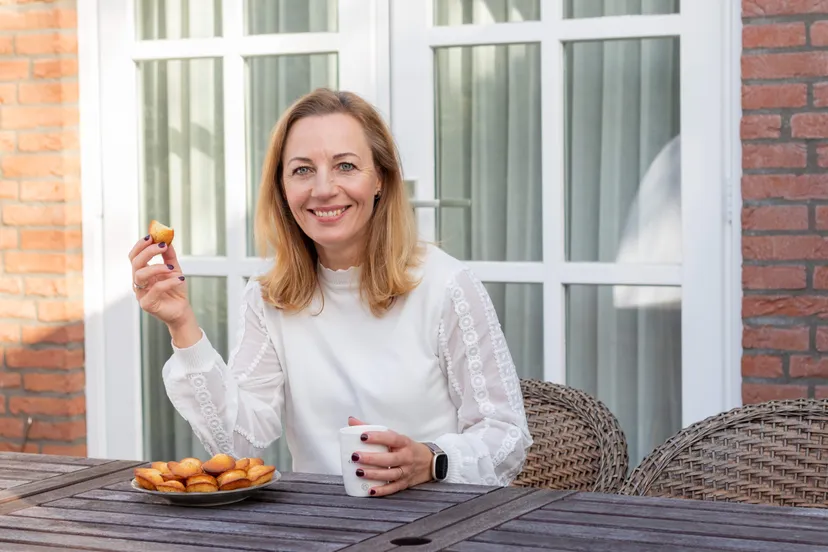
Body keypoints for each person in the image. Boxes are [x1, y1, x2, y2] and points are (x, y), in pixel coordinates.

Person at [128, 88, 533, 497]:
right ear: (283, 189)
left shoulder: (446, 286)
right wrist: (183, 326)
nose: (323, 189)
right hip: (318, 526)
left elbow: (506, 437)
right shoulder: (269, 296)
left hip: (436, 523)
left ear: (380, 179)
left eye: (345, 165)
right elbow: (237, 443)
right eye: (303, 170)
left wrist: (430, 460)